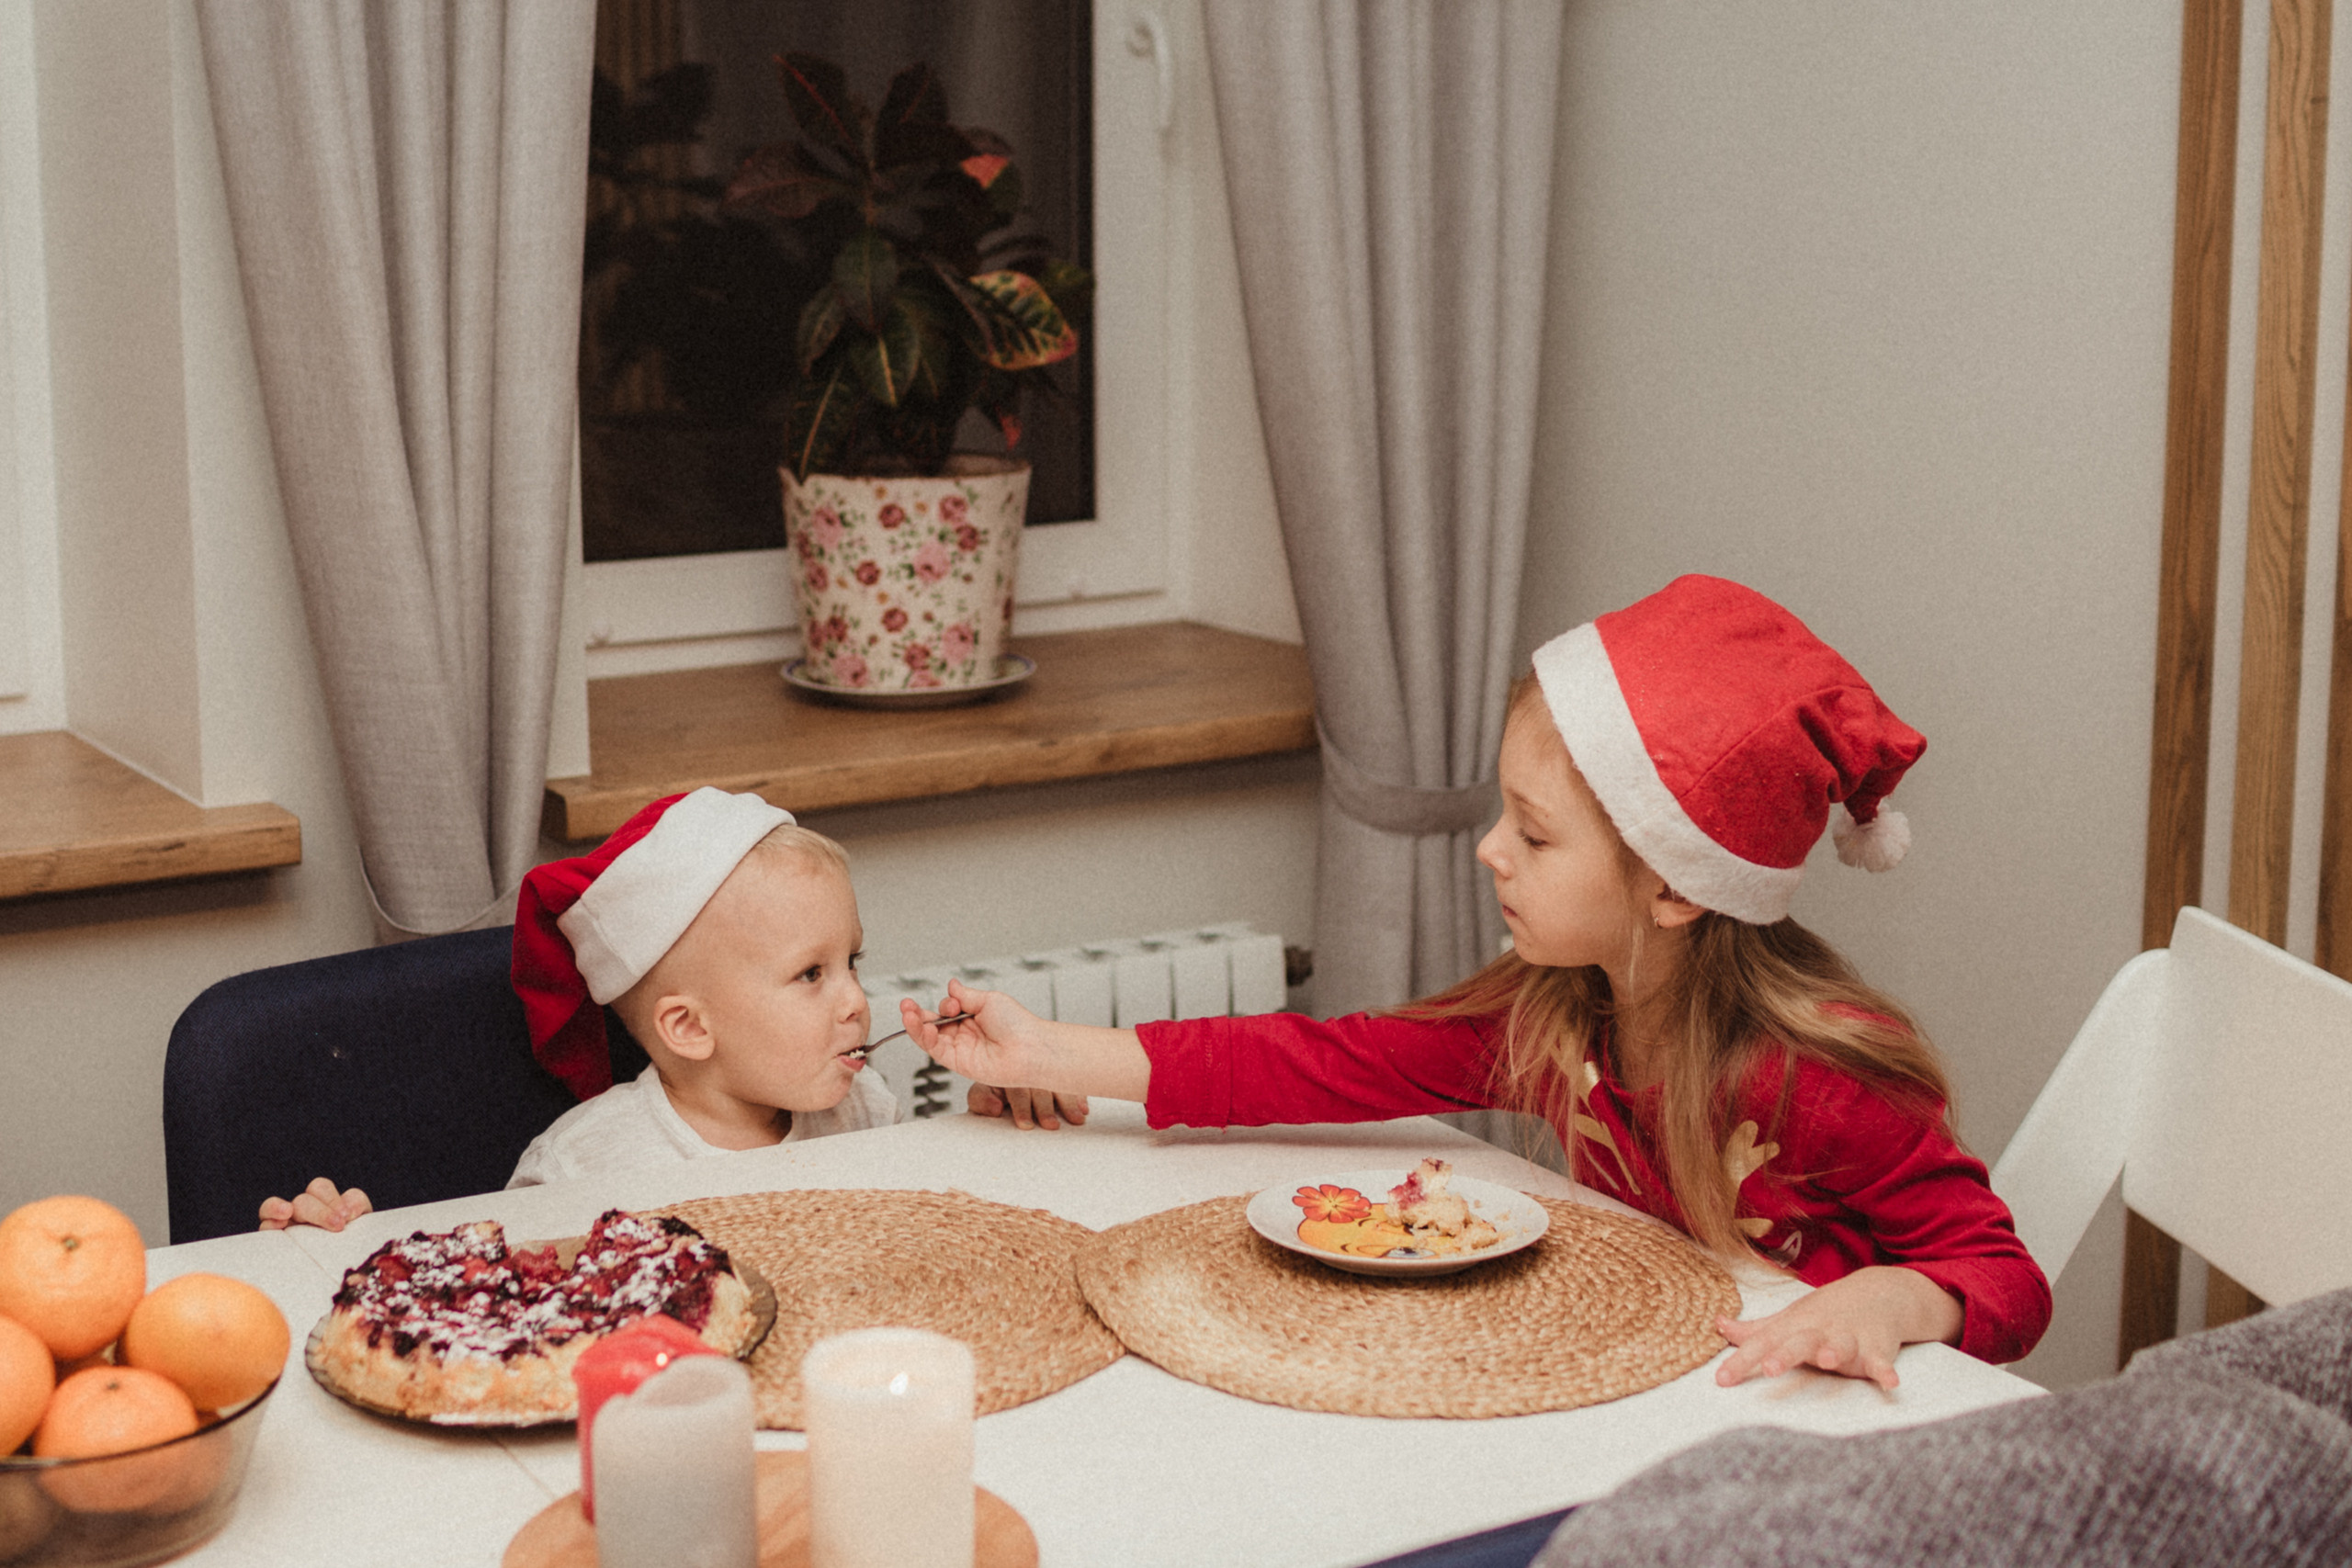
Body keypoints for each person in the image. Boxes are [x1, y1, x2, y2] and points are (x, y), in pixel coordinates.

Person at [910, 575, 2051, 1387]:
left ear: (1675, 887)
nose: (1488, 848)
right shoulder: (1553, 1008)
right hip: (1666, 1399)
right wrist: (1046, 1052)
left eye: (1536, 836)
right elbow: (1324, 1060)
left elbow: (2004, 1280)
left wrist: (1889, 1304)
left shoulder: (1819, 1071)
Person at [261, 787, 898, 1228]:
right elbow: (503, 1302)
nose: (856, 1002)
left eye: (853, 962)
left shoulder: (864, 1109)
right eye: (811, 973)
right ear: (688, 1026)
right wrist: (358, 1245)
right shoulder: (585, 1167)